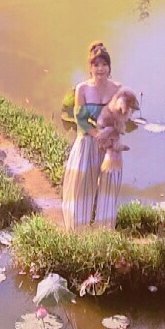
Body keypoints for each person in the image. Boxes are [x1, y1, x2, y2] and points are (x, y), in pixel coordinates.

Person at [60, 41, 119, 229]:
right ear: (90, 68)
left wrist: (108, 135)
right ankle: (78, 232)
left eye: (104, 64)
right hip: (87, 142)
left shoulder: (117, 89)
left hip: (109, 144)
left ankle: (104, 231)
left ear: (110, 68)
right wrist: (97, 135)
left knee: (108, 188)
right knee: (81, 188)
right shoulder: (82, 89)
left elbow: (121, 118)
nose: (100, 68)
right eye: (96, 64)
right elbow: (81, 119)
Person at [89, 88, 140, 229]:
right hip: (104, 129)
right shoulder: (118, 102)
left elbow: (126, 109)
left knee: (111, 166)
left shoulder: (121, 95)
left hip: (111, 132)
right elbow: (121, 106)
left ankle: (104, 220)